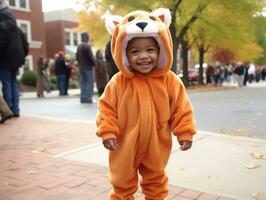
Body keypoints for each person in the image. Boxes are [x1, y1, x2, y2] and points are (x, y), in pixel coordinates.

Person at [96, 8, 196, 199]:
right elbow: (106, 109)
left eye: (150, 50)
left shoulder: (170, 81)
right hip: (124, 144)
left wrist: (185, 132)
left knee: (156, 181)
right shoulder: (118, 83)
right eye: (135, 51)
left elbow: (181, 108)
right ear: (124, 54)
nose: (143, 56)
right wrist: (107, 131)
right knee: (122, 181)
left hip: (156, 144)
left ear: (161, 50)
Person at [0, 0, 29, 117]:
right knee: (13, 84)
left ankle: (8, 110)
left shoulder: (2, 26)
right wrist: (22, 56)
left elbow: (1, 44)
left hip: (4, 60)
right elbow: (26, 44)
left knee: (6, 84)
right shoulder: (17, 28)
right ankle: (16, 110)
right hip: (16, 60)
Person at [76, 32, 95, 103]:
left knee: (82, 83)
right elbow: (91, 57)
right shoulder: (87, 45)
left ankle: (83, 98)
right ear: (86, 37)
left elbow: (77, 57)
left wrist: (79, 64)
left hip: (81, 67)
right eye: (88, 36)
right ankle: (88, 98)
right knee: (89, 83)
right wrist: (94, 64)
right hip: (88, 68)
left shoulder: (79, 46)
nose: (88, 38)